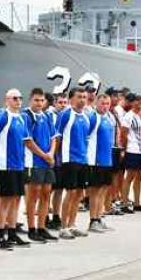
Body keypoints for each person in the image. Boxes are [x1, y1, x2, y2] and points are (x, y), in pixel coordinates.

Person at [0, 88, 47, 249]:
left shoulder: (22, 118)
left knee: (16, 200)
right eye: (14, 98)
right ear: (7, 100)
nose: (18, 101)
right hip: (6, 166)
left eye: (20, 98)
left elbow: (27, 140)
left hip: (19, 165)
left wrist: (42, 155)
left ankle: (12, 233)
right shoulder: (2, 116)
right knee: (4, 201)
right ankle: (1, 236)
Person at [53, 86, 95, 239]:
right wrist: (54, 157)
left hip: (82, 159)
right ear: (71, 99)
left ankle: (72, 224)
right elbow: (57, 137)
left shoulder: (86, 116)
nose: (82, 99)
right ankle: (63, 227)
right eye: (79, 96)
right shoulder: (65, 115)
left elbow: (87, 138)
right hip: (69, 159)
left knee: (78, 194)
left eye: (84, 97)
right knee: (70, 193)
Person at [22, 88, 58, 243]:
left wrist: (51, 153)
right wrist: (44, 155)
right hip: (33, 162)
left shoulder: (47, 116)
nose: (39, 103)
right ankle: (31, 228)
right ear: (31, 100)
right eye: (36, 100)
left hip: (47, 161)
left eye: (41, 100)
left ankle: (42, 227)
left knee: (46, 193)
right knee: (33, 195)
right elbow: (28, 141)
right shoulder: (27, 116)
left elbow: (54, 137)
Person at [86, 92, 115, 232]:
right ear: (97, 103)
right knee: (95, 191)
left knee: (103, 190)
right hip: (96, 161)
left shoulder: (107, 119)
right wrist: (91, 158)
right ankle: (93, 220)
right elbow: (86, 138)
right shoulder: (93, 118)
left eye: (107, 104)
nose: (105, 106)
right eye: (102, 103)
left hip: (107, 160)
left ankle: (99, 217)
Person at [120, 92, 141, 213]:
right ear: (132, 102)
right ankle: (125, 203)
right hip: (132, 149)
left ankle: (137, 202)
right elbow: (124, 134)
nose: (140, 103)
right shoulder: (128, 116)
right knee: (130, 176)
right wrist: (125, 149)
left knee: (140, 177)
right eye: (137, 100)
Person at [46, 92, 68, 230]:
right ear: (54, 103)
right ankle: (45, 216)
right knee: (48, 189)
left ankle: (56, 215)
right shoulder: (49, 116)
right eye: (60, 102)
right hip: (50, 157)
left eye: (65, 102)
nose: (63, 105)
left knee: (59, 189)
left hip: (61, 158)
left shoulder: (66, 116)